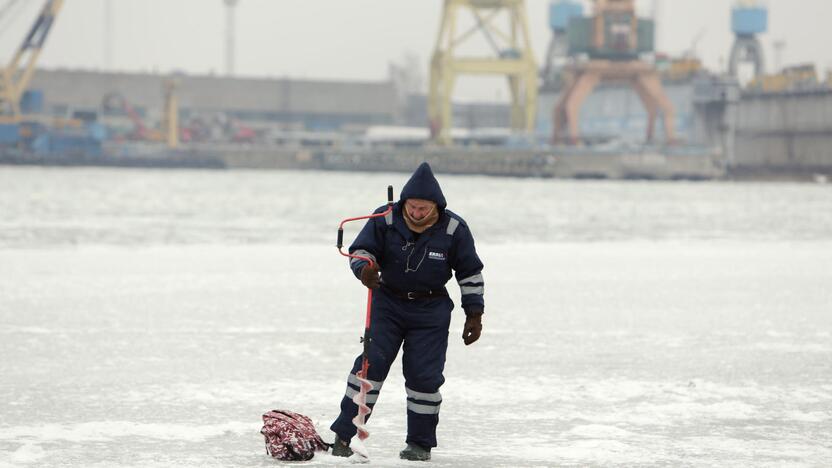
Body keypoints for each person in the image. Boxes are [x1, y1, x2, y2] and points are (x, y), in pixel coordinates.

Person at [330, 162, 485, 461]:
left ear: (436, 206)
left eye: (423, 209)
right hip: (387, 303)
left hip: (431, 310)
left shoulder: (454, 229)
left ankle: (420, 444)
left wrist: (474, 313)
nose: (416, 213)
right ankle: (344, 436)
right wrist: (364, 270)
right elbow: (360, 251)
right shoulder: (384, 219)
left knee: (424, 378)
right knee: (368, 368)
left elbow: (470, 273)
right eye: (412, 207)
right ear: (404, 203)